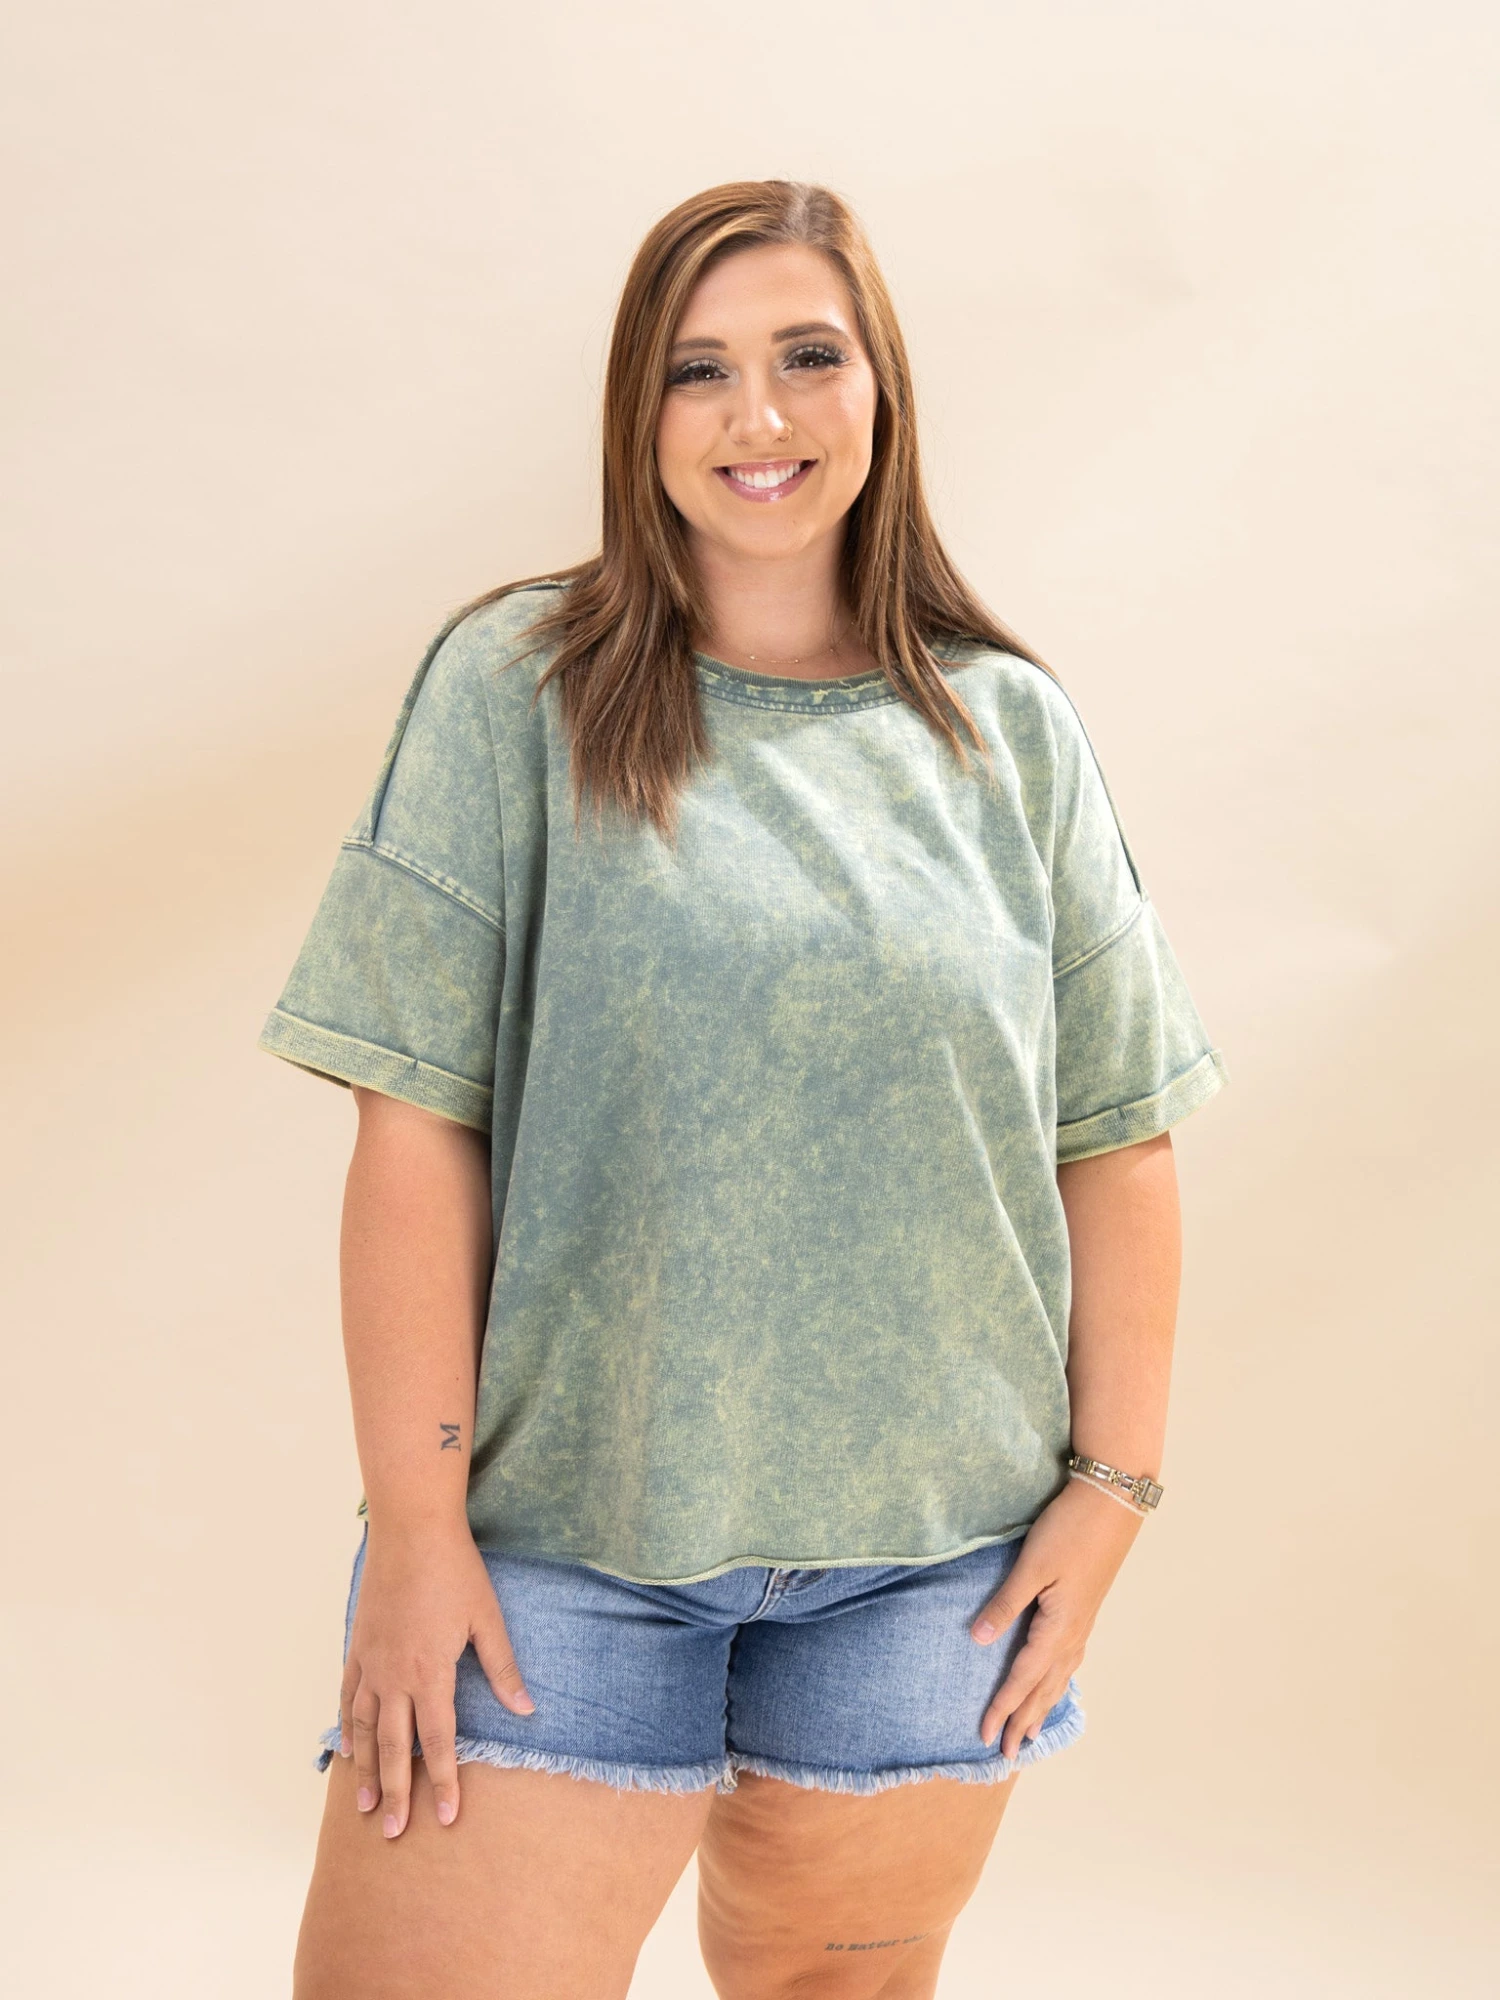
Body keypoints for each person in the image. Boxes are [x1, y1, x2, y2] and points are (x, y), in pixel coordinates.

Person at [259, 179, 1228, 2000]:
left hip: (932, 1572)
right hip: (555, 1547)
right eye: (697, 370)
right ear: (637, 410)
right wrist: (415, 1526)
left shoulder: (1007, 730)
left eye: (808, 356)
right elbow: (413, 1125)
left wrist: (1114, 1492)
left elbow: (1117, 1132)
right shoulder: (514, 691)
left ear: (882, 388)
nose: (757, 415)